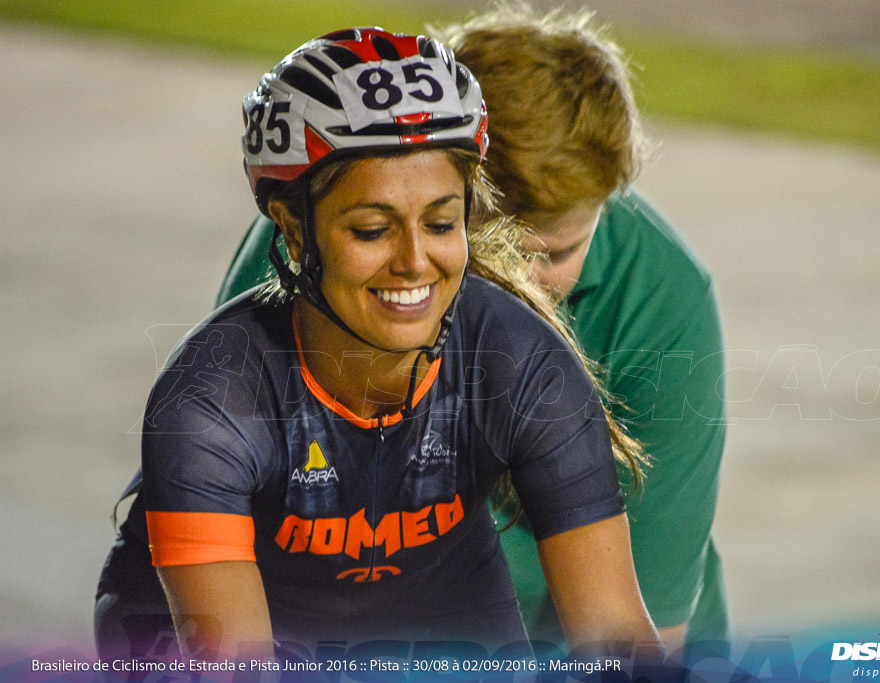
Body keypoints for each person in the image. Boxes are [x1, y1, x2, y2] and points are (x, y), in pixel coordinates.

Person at [94, 27, 660, 661]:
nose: (415, 261)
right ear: (295, 231)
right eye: (371, 230)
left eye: (443, 223)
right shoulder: (212, 397)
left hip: (438, 599)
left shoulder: (522, 362)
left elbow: (616, 637)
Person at [216, 6, 728, 662]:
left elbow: (630, 633)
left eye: (557, 252)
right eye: (500, 255)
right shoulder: (303, 250)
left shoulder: (664, 297)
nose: (529, 288)